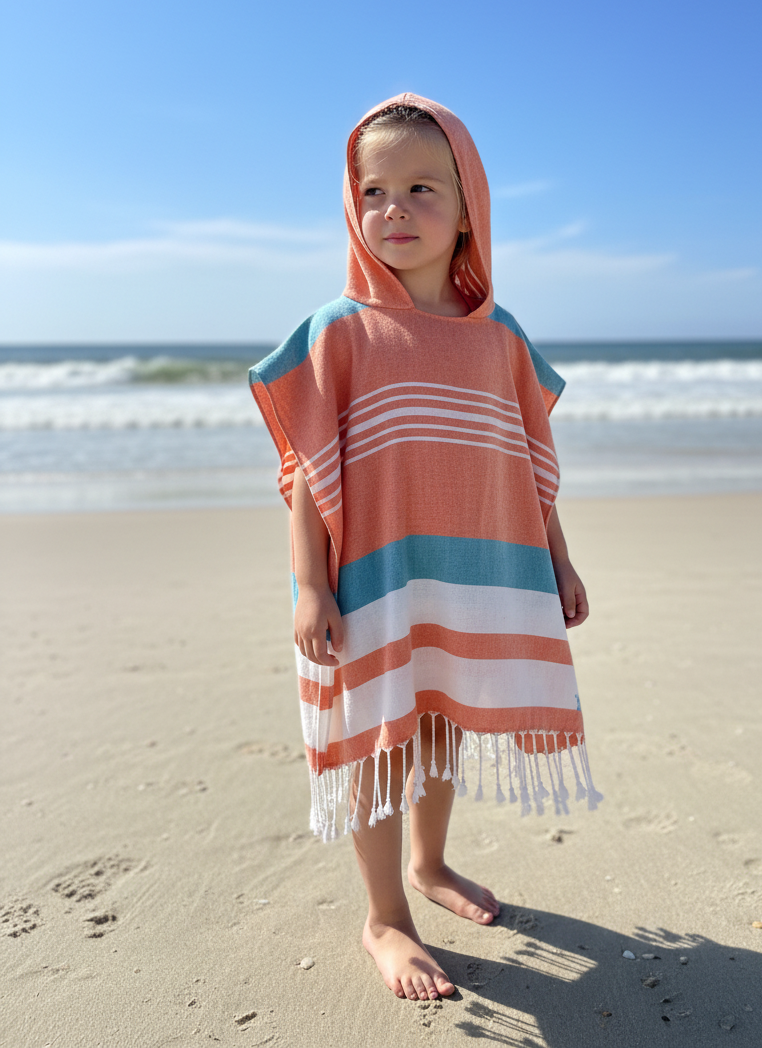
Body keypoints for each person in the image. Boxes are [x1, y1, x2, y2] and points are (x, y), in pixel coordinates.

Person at [249, 94, 601, 1002]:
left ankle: (430, 863)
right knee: (380, 740)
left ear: (468, 205)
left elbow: (526, 464)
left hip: (471, 573)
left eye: (421, 188)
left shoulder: (499, 337)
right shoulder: (339, 331)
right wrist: (309, 587)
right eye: (373, 191)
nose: (393, 209)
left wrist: (558, 559)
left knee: (441, 720)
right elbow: (308, 472)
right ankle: (384, 918)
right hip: (372, 578)